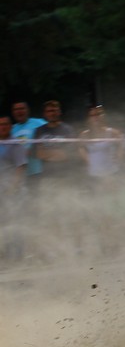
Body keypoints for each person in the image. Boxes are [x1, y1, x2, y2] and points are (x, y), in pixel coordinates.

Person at [0, 115, 27, 261]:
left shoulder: (15, 144)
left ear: (10, 127)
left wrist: (13, 188)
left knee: (15, 222)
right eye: (0, 125)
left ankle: (18, 253)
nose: (3, 127)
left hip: (13, 191)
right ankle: (5, 252)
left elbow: (20, 167)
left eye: (5, 124)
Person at [32, 100, 78, 181]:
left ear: (59, 112)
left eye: (54, 110)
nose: (52, 113)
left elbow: (66, 155)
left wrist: (47, 153)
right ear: (45, 114)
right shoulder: (39, 131)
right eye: (49, 111)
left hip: (66, 177)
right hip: (46, 177)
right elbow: (39, 154)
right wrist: (57, 153)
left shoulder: (68, 130)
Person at [79, 105, 125, 183]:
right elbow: (80, 147)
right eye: (92, 115)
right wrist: (88, 161)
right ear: (88, 119)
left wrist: (118, 157)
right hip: (93, 175)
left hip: (111, 173)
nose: (96, 117)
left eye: (98, 114)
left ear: (103, 116)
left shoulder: (112, 132)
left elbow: (122, 143)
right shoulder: (84, 135)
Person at [10, 101, 46, 192]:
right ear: (13, 112)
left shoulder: (39, 122)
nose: (19, 111)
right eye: (16, 109)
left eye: (22, 108)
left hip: (38, 171)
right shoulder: (11, 129)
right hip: (19, 174)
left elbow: (53, 131)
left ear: (28, 110)